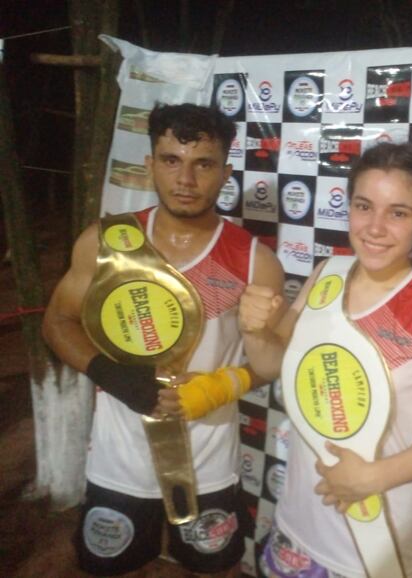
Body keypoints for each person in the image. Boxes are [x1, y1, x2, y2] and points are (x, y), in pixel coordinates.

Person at [42, 103, 285, 577]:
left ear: (225, 171)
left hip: (210, 463)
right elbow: (58, 323)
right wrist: (113, 376)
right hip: (119, 463)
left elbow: (273, 362)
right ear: (151, 164)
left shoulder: (255, 259)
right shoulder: (108, 241)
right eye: (171, 160)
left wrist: (218, 386)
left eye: (203, 164)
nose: (186, 179)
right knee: (109, 569)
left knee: (213, 570)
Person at [238, 142, 412, 578]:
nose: (375, 227)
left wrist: (373, 477)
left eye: (398, 213)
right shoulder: (326, 275)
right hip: (296, 525)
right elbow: (272, 365)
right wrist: (255, 331)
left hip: (371, 549)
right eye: (364, 206)